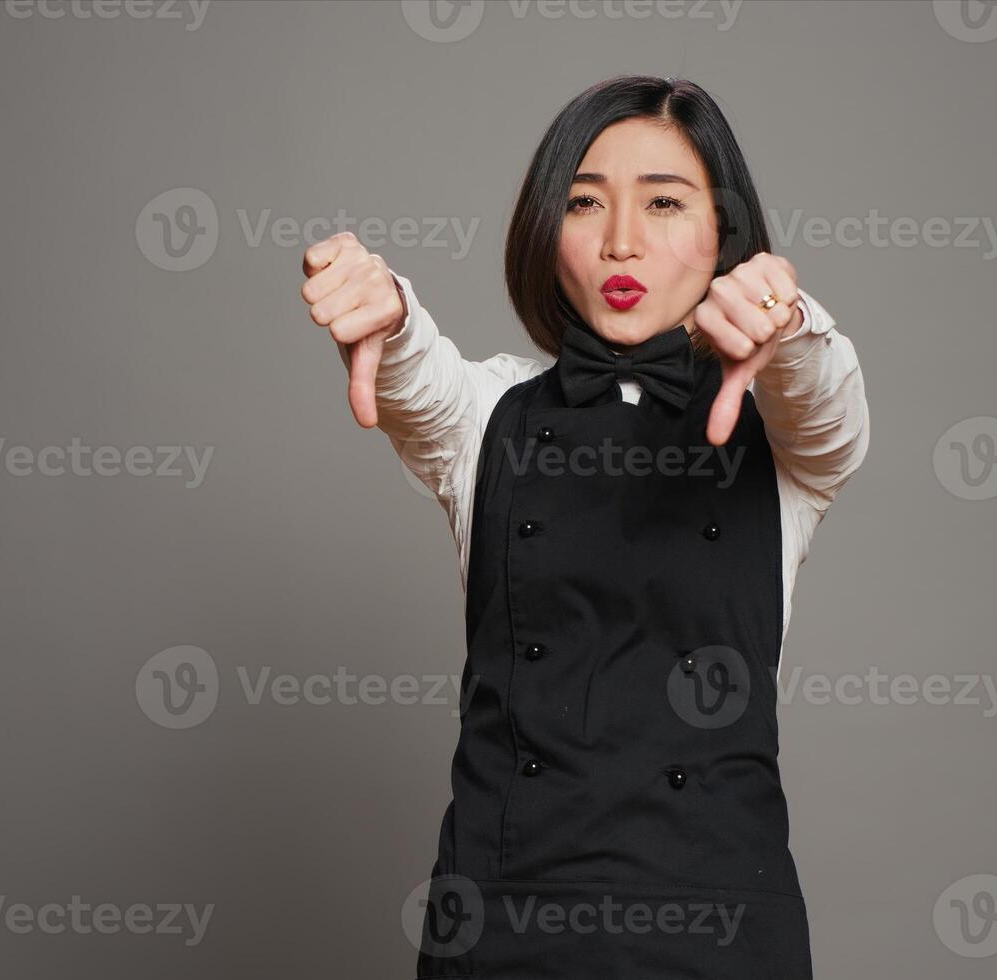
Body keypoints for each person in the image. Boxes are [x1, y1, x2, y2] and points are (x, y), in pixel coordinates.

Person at [299, 74, 869, 978]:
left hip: (721, 929)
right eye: (583, 201)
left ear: (725, 232)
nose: (620, 240)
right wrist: (390, 308)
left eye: (665, 203)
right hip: (498, 925)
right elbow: (416, 380)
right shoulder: (486, 418)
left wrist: (786, 323)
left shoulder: (792, 449)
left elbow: (824, 398)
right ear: (545, 230)